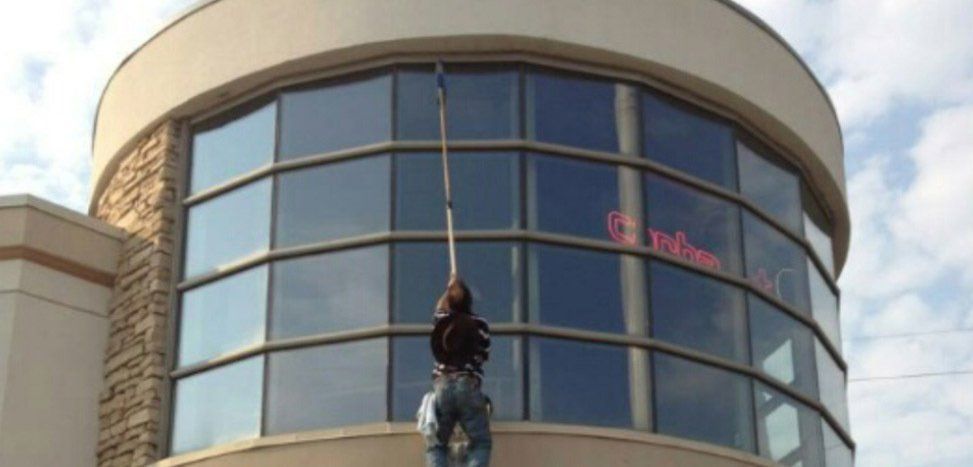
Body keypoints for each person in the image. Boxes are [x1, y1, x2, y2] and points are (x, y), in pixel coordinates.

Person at [425, 276, 492, 467]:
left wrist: (449, 289)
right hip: (468, 384)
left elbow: (439, 307)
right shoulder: (480, 324)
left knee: (437, 445)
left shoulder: (441, 321)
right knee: (480, 442)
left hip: (443, 384)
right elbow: (484, 353)